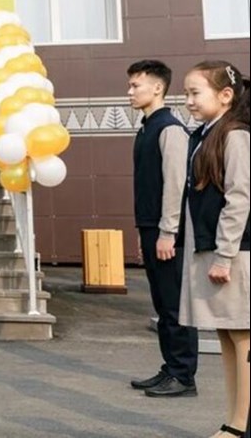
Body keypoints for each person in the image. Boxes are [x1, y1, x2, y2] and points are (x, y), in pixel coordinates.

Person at [179, 61, 250, 437]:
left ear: (225, 96)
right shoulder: (206, 134)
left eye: (195, 92)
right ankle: (234, 420)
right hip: (218, 250)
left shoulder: (235, 135)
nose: (188, 100)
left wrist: (224, 255)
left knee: (242, 336)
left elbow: (239, 198)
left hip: (236, 253)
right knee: (227, 334)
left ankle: (239, 425)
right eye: (187, 92)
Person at [125, 60, 199, 397]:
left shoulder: (169, 128)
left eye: (135, 85)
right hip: (151, 228)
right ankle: (170, 367)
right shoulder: (145, 128)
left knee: (174, 305)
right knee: (161, 304)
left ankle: (184, 376)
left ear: (157, 88)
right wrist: (145, 234)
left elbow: (175, 185)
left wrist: (168, 232)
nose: (129, 91)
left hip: (168, 232)